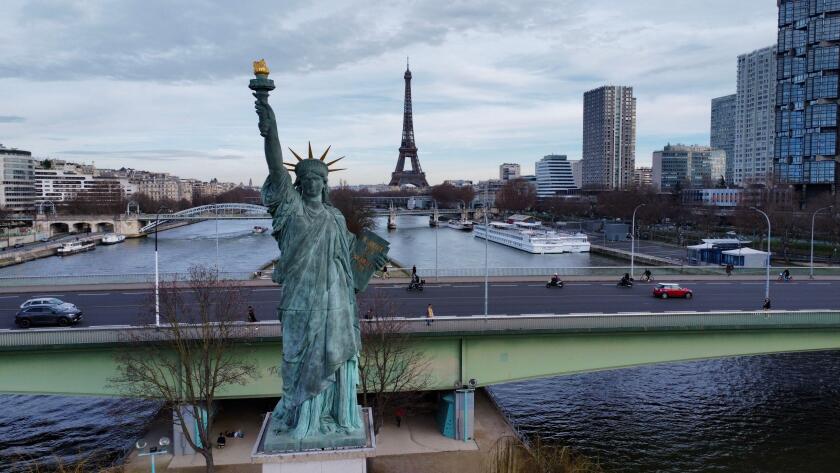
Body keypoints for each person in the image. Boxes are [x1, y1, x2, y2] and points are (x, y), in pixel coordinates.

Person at [255, 88, 388, 440]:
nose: (314, 183)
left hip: (337, 302)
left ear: (326, 184)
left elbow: (351, 258)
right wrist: (271, 125)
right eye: (308, 179)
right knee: (297, 360)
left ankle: (334, 414)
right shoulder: (290, 209)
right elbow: (274, 165)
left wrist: (373, 257)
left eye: (320, 179)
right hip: (302, 300)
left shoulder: (335, 217)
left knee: (335, 356)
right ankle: (303, 415)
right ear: (299, 183)